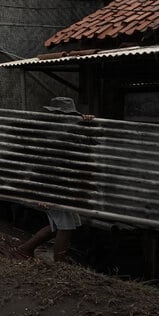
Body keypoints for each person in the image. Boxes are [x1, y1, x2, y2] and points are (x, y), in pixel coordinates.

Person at [13, 97, 94, 262]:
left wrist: (87, 123)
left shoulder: (64, 130)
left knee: (59, 224)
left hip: (61, 187)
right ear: (55, 114)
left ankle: (25, 249)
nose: (68, 117)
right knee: (65, 227)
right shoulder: (49, 134)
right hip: (51, 187)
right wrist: (43, 195)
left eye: (70, 114)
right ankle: (59, 266)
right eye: (65, 114)